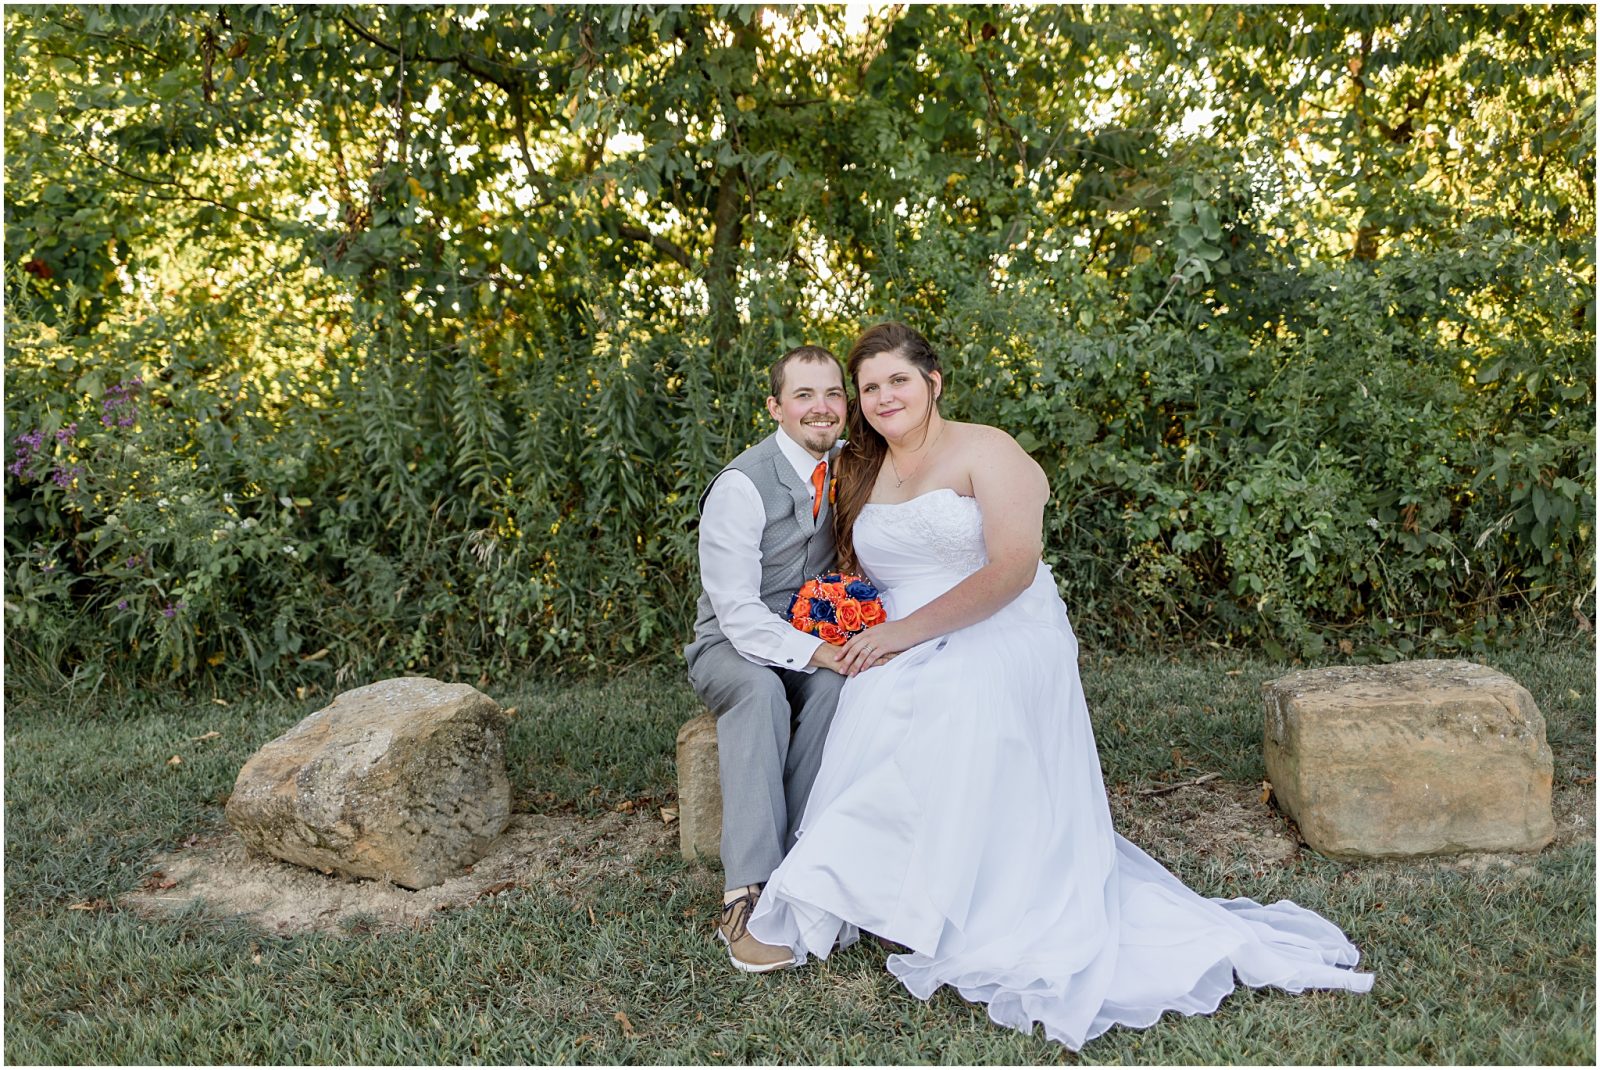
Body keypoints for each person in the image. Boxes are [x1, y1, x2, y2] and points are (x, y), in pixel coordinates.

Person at [746, 323, 1373, 1047]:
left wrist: (900, 635)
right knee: (874, 699)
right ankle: (889, 894)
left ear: (933, 382)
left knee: (959, 696)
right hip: (902, 628)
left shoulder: (990, 451)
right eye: (870, 387)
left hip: (1002, 622)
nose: (884, 396)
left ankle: (960, 904)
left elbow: (1012, 569)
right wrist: (846, 618)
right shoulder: (860, 467)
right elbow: (843, 550)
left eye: (898, 380)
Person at [683, 344, 851, 973]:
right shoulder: (740, 486)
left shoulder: (848, 466)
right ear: (776, 406)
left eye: (832, 394)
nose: (821, 407)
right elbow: (738, 613)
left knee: (841, 693)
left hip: (809, 636)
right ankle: (745, 899)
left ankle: (806, 869)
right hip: (730, 645)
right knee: (759, 692)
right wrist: (819, 651)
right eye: (804, 395)